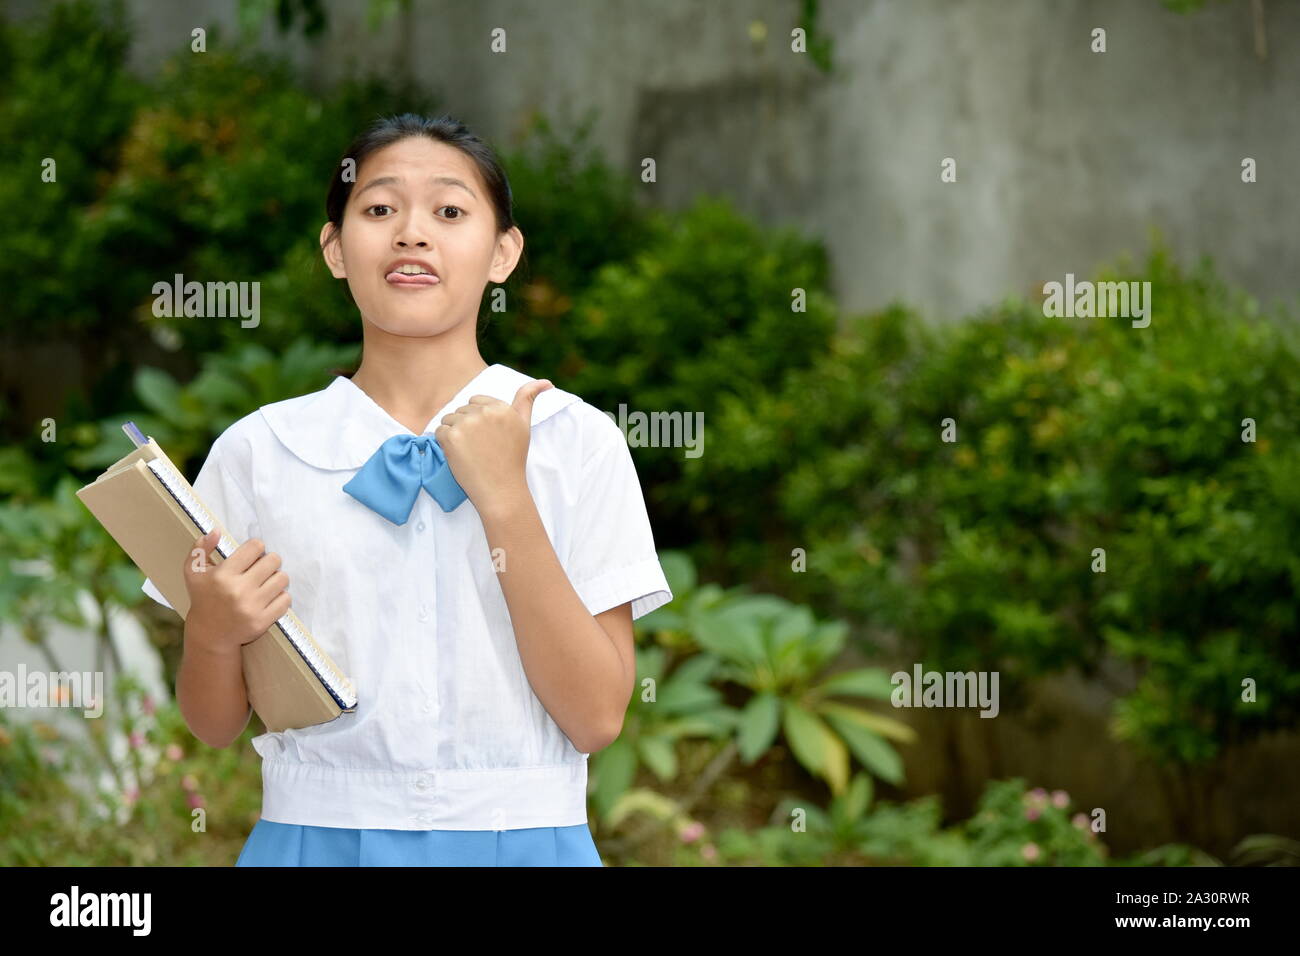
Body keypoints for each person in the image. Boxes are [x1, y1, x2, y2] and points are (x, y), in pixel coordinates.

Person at [141, 113, 673, 866]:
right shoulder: (260, 452)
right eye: (380, 209)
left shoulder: (574, 443)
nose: (412, 233)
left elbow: (595, 718)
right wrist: (212, 632)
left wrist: (506, 501)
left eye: (450, 211)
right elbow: (214, 724)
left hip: (525, 843)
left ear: (503, 253)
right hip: (310, 842)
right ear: (334, 249)